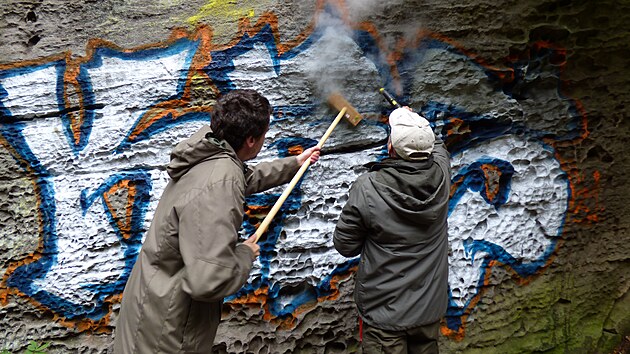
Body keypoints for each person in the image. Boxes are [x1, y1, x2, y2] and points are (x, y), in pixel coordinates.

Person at [114, 89, 320, 354]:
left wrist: (295, 163)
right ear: (250, 139)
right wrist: (245, 255)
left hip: (151, 305)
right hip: (167, 330)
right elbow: (207, 279)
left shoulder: (210, 155)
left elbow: (243, 177)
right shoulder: (220, 181)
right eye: (264, 136)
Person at [333, 106, 451, 354]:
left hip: (385, 315)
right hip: (428, 310)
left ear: (391, 148)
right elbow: (438, 146)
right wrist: (414, 119)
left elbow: (345, 246)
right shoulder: (442, 174)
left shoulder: (368, 187)